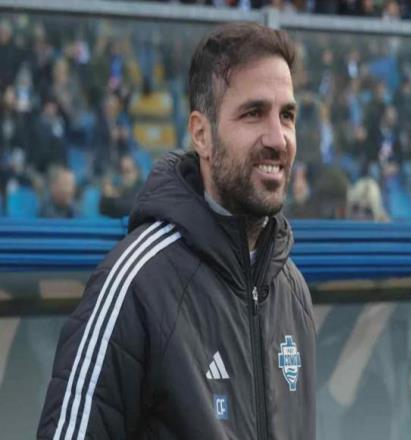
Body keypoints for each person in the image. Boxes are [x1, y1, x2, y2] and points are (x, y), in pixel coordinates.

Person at [38, 22, 316, 439]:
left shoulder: (292, 291)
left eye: (287, 115)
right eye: (253, 113)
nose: (278, 138)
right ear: (201, 135)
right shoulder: (135, 284)